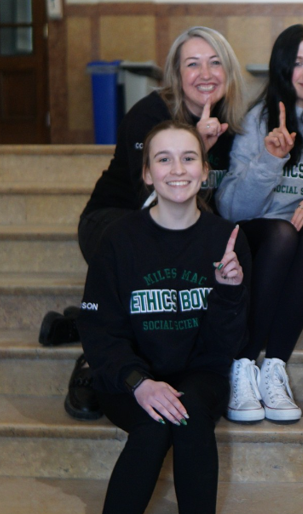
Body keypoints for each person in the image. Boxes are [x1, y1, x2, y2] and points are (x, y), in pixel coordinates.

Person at [37, 26, 246, 421]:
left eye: (215, 62)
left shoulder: (234, 122)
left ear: (229, 70)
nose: (205, 73)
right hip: (116, 221)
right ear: (175, 73)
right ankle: (92, 362)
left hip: (184, 231)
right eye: (193, 64)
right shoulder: (149, 115)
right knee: (145, 251)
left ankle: (78, 322)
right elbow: (153, 206)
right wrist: (197, 148)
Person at [79, 120, 250, 514]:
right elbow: (100, 332)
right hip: (127, 376)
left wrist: (228, 291)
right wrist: (138, 382)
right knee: (153, 428)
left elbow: (226, 347)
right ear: (146, 173)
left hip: (200, 374)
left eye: (189, 158)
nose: (177, 169)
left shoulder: (227, 242)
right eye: (163, 159)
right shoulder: (118, 240)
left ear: (205, 171)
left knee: (188, 416)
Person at [216, 24, 303, 424]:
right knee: (281, 232)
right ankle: (242, 364)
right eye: (297, 63)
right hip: (262, 238)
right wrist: (271, 159)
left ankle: (274, 365)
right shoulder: (259, 120)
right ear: (281, 69)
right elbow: (231, 208)